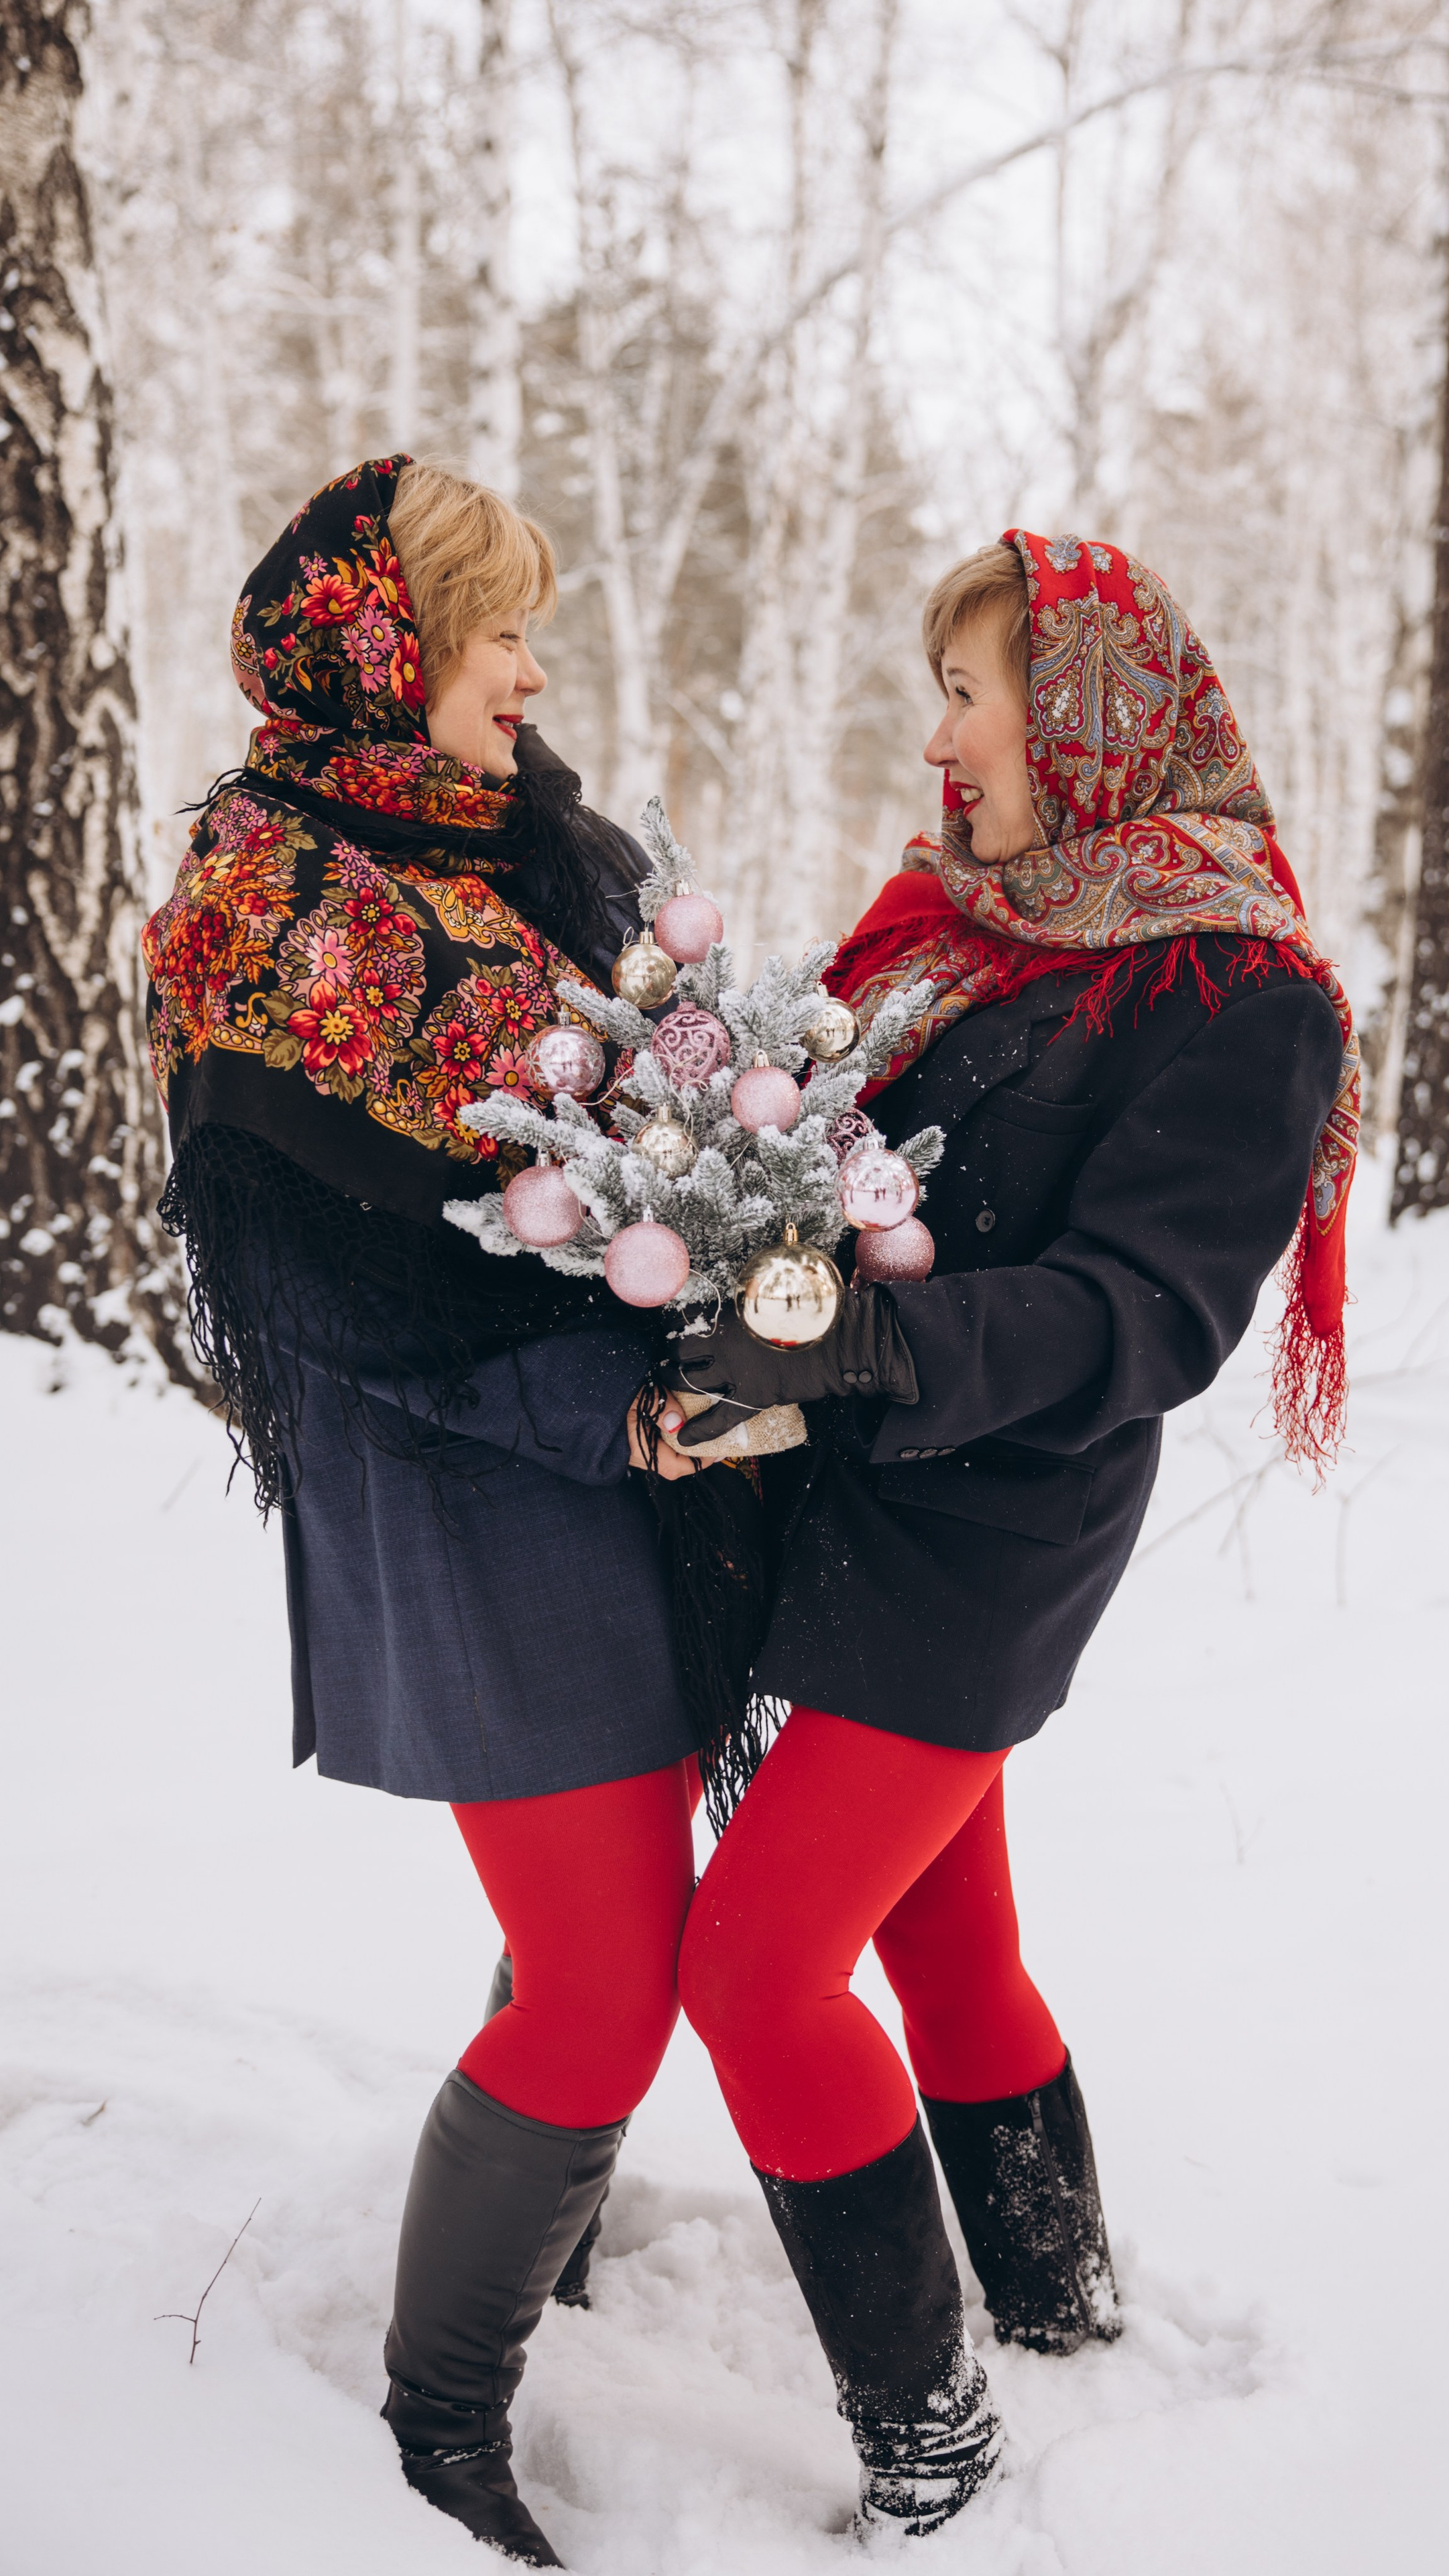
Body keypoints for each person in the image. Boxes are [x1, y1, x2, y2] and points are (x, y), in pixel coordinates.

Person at [669, 531, 1358, 2533]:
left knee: (757, 1972)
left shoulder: (1235, 991)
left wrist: (869, 1338)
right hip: (839, 1491)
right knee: (946, 1933)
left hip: (990, 1539)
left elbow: (1150, 1311)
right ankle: (1060, 2302)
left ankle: (930, 2437)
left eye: (970, 693)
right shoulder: (958, 928)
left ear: (1084, 718)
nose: (942, 736)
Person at [141, 455, 702, 2569]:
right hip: (460, 1469)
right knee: (603, 1973)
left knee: (605, 1921)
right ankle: (440, 2419)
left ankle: (547, 2231)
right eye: (497, 635)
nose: (532, 674)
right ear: (385, 654)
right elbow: (326, 1294)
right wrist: (604, 1406)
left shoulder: (536, 844)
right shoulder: (265, 897)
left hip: (611, 1450)